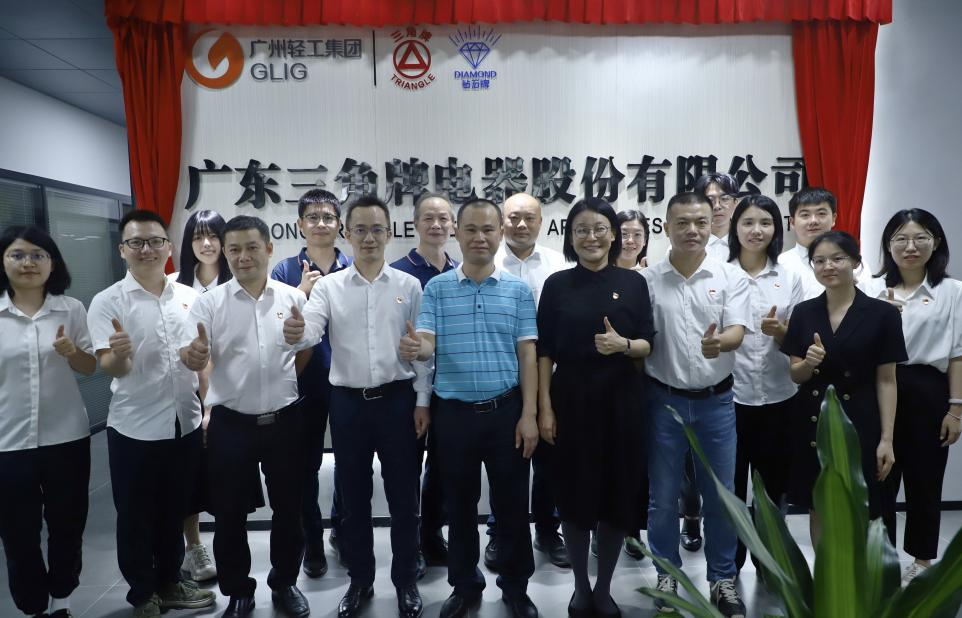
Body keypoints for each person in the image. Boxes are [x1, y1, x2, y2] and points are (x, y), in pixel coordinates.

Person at [285, 195, 430, 618]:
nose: (369, 238)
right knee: (353, 500)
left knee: (405, 499)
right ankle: (361, 580)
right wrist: (294, 331)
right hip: (348, 405)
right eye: (361, 229)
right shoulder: (329, 287)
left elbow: (421, 350)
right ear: (347, 234)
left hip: (398, 401)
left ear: (389, 233)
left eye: (377, 229)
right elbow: (310, 330)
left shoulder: (409, 286)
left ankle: (405, 581)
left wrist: (423, 400)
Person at [181, 215, 313, 618]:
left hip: (285, 421)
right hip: (231, 424)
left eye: (252, 247)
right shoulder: (209, 303)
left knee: (289, 510)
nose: (243, 257)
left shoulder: (293, 297)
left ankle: (285, 584)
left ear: (268, 249)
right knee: (229, 514)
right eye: (234, 249)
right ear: (225, 252)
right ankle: (239, 591)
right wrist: (194, 357)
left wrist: (284, 378)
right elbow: (192, 353)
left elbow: (305, 348)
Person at [414, 198, 540, 618]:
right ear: (457, 232)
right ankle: (465, 585)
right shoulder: (437, 288)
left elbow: (527, 354)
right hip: (453, 415)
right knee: (459, 506)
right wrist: (417, 347)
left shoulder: (518, 291)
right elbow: (427, 342)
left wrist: (529, 414)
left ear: (500, 233)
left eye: (488, 229)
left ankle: (516, 587)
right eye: (471, 229)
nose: (480, 237)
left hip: (506, 412)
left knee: (512, 506)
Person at [88, 210, 215, 618]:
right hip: (134, 427)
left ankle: (170, 582)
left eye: (155, 241)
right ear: (122, 249)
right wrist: (119, 355)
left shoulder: (189, 298)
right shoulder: (108, 301)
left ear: (168, 246)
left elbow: (195, 358)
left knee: (174, 510)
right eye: (136, 242)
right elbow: (111, 367)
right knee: (136, 516)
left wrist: (199, 358)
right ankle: (143, 593)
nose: (147, 249)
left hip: (184, 422)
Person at [537, 198, 654, 617]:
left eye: (600, 228)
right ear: (570, 237)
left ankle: (604, 588)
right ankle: (580, 588)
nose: (592, 237)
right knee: (574, 496)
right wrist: (544, 408)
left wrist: (623, 345)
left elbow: (647, 343)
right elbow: (544, 351)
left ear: (614, 234)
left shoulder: (634, 283)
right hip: (570, 399)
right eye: (582, 229)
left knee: (615, 496)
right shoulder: (556, 285)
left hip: (622, 401)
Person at [642, 192, 750, 617]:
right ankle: (667, 573)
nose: (692, 230)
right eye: (683, 223)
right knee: (663, 498)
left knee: (721, 497)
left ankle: (722, 578)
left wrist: (719, 342)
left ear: (712, 226)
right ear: (666, 226)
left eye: (701, 223)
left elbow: (737, 331)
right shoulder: (648, 280)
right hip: (662, 402)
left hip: (715, 403)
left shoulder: (729, 276)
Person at [780, 230, 906, 546]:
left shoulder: (883, 314)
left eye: (837, 259)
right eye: (819, 261)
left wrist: (887, 440)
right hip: (814, 420)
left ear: (855, 262)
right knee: (818, 505)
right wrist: (809, 362)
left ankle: (859, 575)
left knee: (862, 505)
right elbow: (796, 375)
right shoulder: (803, 312)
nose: (828, 266)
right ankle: (826, 572)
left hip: (861, 421)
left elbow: (887, 380)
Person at [0, 226, 96, 618]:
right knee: (17, 533)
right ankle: (33, 605)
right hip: (7, 442)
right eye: (17, 254)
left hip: (66, 437)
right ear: (3, 261)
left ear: (52, 263)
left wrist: (72, 352)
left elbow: (90, 367)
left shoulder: (71, 309)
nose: (28, 263)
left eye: (38, 255)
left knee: (67, 525)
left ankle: (62, 599)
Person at [863, 209, 962, 583]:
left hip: (928, 390)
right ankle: (882, 559)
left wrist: (956, 409)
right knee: (879, 478)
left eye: (920, 238)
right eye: (901, 239)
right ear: (888, 245)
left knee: (925, 479)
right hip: (878, 388)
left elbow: (958, 354)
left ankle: (922, 562)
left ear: (936, 243)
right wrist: (880, 318)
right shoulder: (871, 289)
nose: (910, 247)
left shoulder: (952, 292)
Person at [270, 189, 352, 578]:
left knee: (350, 463)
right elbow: (272, 328)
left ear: (340, 225)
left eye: (328, 217)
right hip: (302, 383)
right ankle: (312, 542)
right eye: (313, 217)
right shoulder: (284, 271)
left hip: (349, 381)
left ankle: (343, 532)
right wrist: (301, 294)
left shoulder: (354, 267)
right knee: (306, 467)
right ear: (300, 225)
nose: (321, 224)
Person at [725, 195, 804, 573]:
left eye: (765, 222)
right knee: (730, 485)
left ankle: (769, 560)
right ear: (735, 228)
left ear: (777, 228)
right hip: (729, 397)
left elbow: (800, 340)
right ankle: (729, 562)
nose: (757, 230)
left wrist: (782, 332)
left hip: (779, 396)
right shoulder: (720, 274)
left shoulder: (789, 278)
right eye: (748, 222)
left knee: (773, 487)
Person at [490, 192, 569, 569]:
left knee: (551, 463)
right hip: (503, 380)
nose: (521, 225)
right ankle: (500, 531)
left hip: (551, 379)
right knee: (505, 463)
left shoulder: (559, 264)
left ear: (541, 222)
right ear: (502, 221)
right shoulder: (487, 262)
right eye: (513, 217)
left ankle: (548, 530)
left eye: (529, 218)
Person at [390, 192, 459, 569]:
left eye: (443, 218)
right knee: (408, 467)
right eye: (428, 218)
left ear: (453, 226)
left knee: (443, 468)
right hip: (410, 388)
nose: (436, 225)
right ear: (415, 224)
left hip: (450, 387)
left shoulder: (461, 271)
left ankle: (432, 535)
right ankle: (410, 543)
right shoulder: (398, 273)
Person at [170, 209, 232, 583]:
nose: (207, 244)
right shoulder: (173, 287)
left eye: (213, 236)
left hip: (233, 396)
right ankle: (193, 547)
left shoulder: (238, 283)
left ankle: (231, 546)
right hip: (187, 398)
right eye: (198, 236)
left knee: (227, 480)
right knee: (189, 477)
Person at [678, 172, 739, 552]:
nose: (717, 206)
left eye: (723, 198)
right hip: (699, 375)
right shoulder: (684, 249)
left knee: (729, 472)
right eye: (709, 199)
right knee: (689, 461)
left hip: (746, 376)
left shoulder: (746, 246)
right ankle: (691, 515)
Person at [778, 187, 844, 299]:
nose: (813, 221)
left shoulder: (850, 262)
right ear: (792, 222)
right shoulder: (779, 265)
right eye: (805, 215)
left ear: (833, 219)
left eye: (821, 213)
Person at [695, 172, 739, 262]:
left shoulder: (747, 241)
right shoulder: (688, 242)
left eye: (725, 199)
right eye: (710, 200)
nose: (717, 206)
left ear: (735, 202)